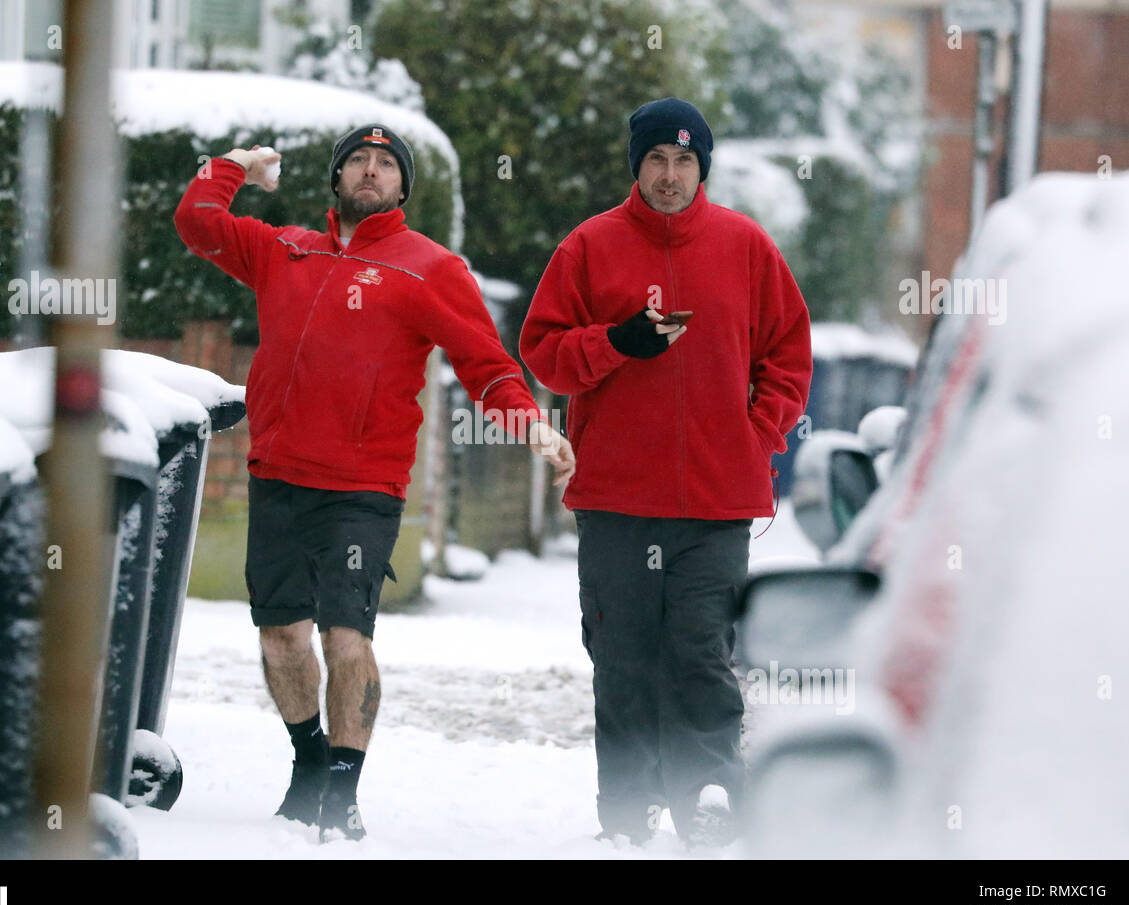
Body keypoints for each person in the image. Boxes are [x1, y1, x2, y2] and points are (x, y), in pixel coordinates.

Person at [175, 124, 575, 842]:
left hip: (364, 485)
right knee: (280, 638)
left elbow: (486, 364)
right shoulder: (285, 248)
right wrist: (234, 165)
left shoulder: (431, 267)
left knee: (346, 636)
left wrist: (532, 424)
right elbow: (197, 223)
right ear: (336, 179)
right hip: (277, 473)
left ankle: (342, 788)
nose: (370, 170)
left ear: (403, 187)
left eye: (386, 164)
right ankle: (307, 759)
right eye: (357, 160)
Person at [519, 98, 812, 847]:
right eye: (656, 159)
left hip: (716, 506)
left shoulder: (747, 247)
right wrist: (615, 342)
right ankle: (627, 807)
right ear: (637, 165)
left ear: (702, 168)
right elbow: (545, 352)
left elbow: (788, 355)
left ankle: (709, 794)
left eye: (685, 161)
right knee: (621, 656)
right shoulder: (589, 247)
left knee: (701, 652)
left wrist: (757, 436)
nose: (671, 175)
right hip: (617, 501)